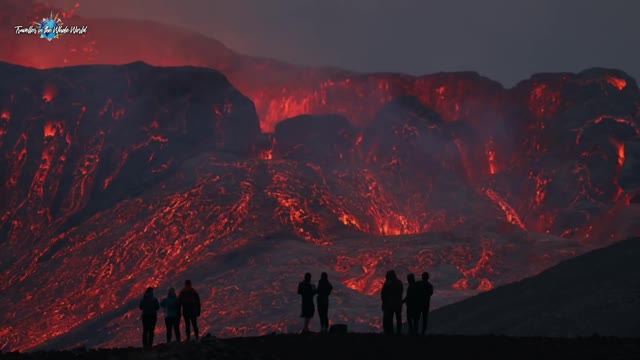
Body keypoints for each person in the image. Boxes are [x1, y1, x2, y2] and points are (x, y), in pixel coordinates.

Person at [380, 270, 403, 335]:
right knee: (398, 318)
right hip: (398, 304)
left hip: (390, 304)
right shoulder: (399, 282)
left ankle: (390, 332)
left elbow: (383, 294)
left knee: (390, 319)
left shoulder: (387, 283)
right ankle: (399, 332)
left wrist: (384, 303)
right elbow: (401, 292)